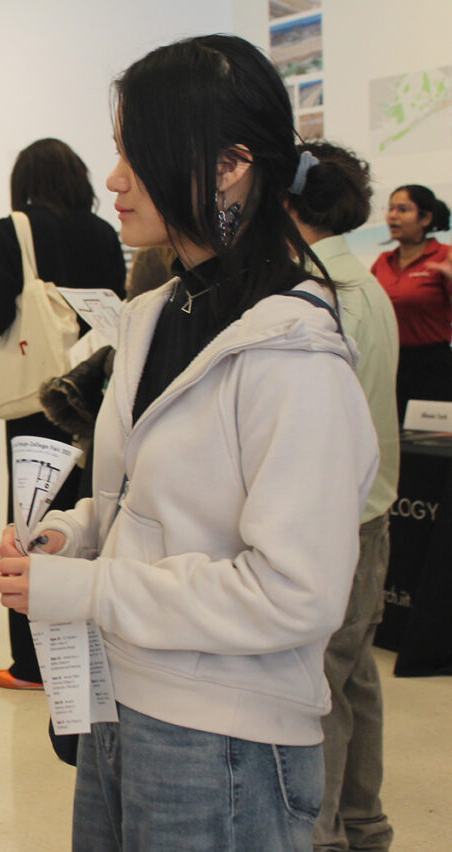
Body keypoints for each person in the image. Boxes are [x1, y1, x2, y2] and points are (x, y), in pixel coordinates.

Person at [0, 35, 379, 850]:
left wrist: (88, 591)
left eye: (139, 154)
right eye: (118, 152)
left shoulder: (292, 355)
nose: (115, 180)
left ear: (231, 163)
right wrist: (78, 531)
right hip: (121, 698)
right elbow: (152, 502)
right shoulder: (154, 315)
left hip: (224, 742)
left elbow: (295, 593)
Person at [0, 137, 126, 691]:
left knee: (33, 516)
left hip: (38, 393)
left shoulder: (15, 227)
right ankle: (87, 653)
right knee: (86, 513)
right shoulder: (103, 231)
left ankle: (32, 664)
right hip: (90, 391)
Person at [288, 142, 399, 852]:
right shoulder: (365, 287)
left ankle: (325, 836)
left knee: (322, 686)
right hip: (370, 514)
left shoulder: (324, 299)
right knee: (353, 674)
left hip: (334, 523)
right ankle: (362, 824)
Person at [370, 184, 452, 420]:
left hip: (432, 365)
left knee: (431, 449)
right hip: (390, 363)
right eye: (391, 208)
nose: (393, 215)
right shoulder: (384, 260)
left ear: (425, 218)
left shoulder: (444, 256)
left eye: (403, 209)